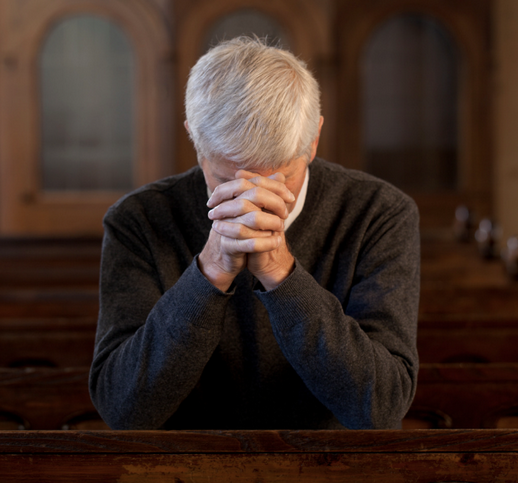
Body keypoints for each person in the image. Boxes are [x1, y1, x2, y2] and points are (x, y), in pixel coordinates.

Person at [89, 36, 420, 430]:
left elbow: (380, 408)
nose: (254, 203)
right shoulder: (139, 220)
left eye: (279, 178)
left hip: (334, 468)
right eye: (229, 180)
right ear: (195, 141)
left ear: (313, 140)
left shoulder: (379, 213)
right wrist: (210, 271)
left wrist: (281, 274)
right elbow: (123, 409)